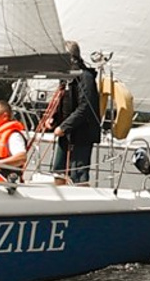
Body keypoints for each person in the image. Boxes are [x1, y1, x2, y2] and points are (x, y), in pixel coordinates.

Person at [43, 44, 104, 184]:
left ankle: (80, 201)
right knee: (59, 172)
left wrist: (64, 127)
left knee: (79, 175)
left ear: (71, 58)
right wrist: (52, 119)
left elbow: (85, 107)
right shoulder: (65, 78)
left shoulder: (85, 77)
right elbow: (62, 102)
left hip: (82, 135)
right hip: (67, 134)